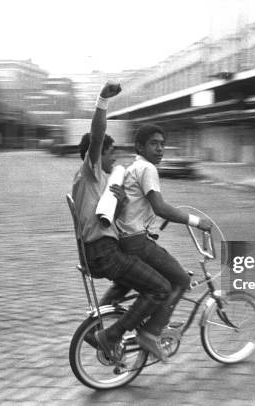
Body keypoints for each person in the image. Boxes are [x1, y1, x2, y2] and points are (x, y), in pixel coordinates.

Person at [71, 82, 171, 363]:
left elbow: (104, 221)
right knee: (160, 287)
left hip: (100, 251)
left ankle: (97, 328)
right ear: (96, 153)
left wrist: (122, 206)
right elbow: (98, 134)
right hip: (104, 253)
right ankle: (113, 335)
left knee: (133, 278)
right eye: (110, 152)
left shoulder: (97, 184)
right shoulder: (89, 173)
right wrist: (102, 99)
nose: (114, 158)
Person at [115, 123, 212, 352]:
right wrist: (198, 221)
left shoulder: (134, 168)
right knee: (181, 280)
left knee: (161, 279)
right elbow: (160, 207)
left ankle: (149, 320)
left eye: (162, 144)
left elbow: (141, 206)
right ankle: (151, 332)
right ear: (139, 146)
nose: (159, 149)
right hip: (137, 242)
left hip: (127, 238)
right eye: (153, 144)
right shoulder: (148, 169)